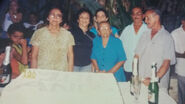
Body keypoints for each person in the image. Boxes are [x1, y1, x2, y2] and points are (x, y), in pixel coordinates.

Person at [134, 8, 176, 93]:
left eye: (148, 18)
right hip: (141, 81)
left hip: (158, 85)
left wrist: (154, 79)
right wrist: (135, 75)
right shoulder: (144, 35)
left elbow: (166, 63)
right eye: (145, 18)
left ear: (156, 17)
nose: (145, 21)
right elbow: (136, 56)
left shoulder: (167, 37)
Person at [30, 7, 74, 71]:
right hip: (43, 71)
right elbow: (34, 56)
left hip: (61, 72)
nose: (55, 18)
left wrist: (70, 74)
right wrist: (33, 73)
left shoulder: (67, 35)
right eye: (52, 15)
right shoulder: (39, 33)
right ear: (47, 17)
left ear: (61, 19)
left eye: (58, 16)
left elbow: (70, 56)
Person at [119, 7, 148, 81]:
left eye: (138, 13)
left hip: (144, 67)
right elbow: (120, 46)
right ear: (131, 16)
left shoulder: (148, 30)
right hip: (128, 66)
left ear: (143, 16)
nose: (136, 16)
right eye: (134, 14)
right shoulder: (127, 30)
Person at [171, 15, 185, 104]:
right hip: (182, 70)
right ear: (183, 21)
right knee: (182, 96)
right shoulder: (175, 34)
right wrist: (182, 55)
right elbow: (170, 52)